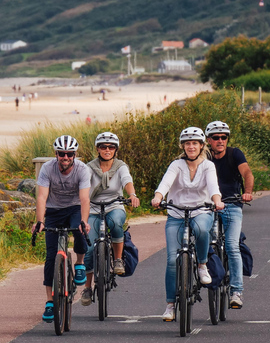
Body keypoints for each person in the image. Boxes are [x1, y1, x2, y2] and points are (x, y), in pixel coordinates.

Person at [151, 127, 224, 321]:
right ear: (183, 146)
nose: (191, 146)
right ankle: (170, 305)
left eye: (195, 143)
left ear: (202, 146)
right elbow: (165, 183)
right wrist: (158, 196)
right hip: (176, 213)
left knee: (201, 229)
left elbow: (213, 186)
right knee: (171, 261)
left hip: (201, 210)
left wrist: (217, 201)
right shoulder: (176, 164)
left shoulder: (208, 166)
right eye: (187, 143)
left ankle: (201, 265)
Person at [34, 135, 91, 323]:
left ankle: (80, 263)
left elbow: (84, 199)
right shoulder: (47, 168)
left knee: (80, 230)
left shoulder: (83, 170)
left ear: (74, 155)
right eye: (61, 154)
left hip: (74, 208)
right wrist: (40, 221)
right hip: (53, 210)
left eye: (69, 154)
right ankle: (50, 302)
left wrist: (84, 221)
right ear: (56, 154)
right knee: (51, 256)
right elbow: (42, 197)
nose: (65, 157)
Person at [80, 132, 140, 306]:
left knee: (115, 223)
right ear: (97, 149)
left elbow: (127, 180)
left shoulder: (121, 166)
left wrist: (132, 195)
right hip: (93, 208)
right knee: (90, 248)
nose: (107, 150)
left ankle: (118, 260)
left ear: (116, 149)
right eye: (103, 147)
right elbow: (83, 186)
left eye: (111, 147)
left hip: (114, 205)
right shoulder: (88, 167)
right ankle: (87, 287)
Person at [205, 120, 254, 309]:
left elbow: (247, 173)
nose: (220, 141)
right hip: (208, 205)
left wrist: (247, 192)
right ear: (208, 140)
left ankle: (236, 291)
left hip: (232, 204)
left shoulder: (235, 154)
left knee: (232, 246)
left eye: (223, 137)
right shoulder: (204, 157)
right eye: (216, 138)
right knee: (205, 241)